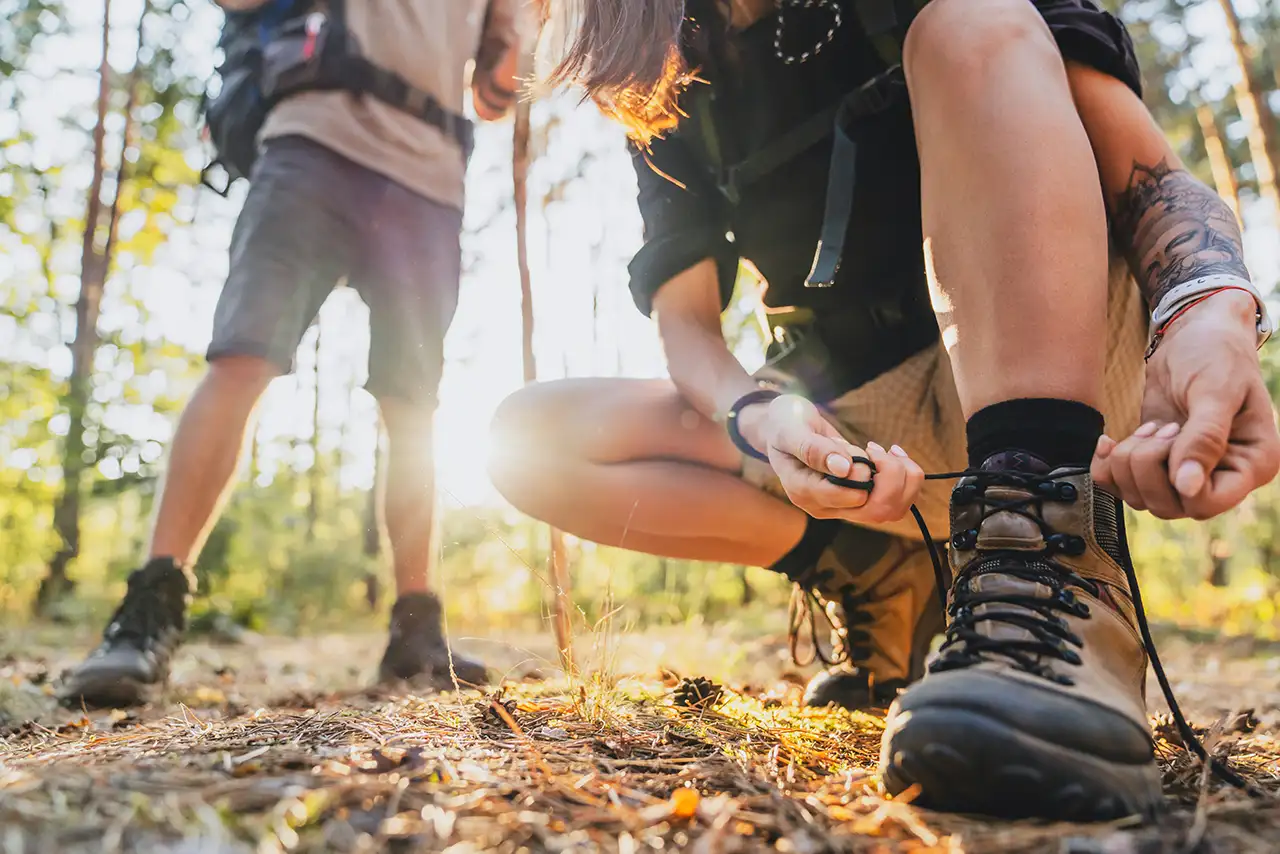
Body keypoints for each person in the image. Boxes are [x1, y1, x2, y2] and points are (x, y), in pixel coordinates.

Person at [488, 0, 1279, 821]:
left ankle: (1052, 569)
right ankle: (875, 569)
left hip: (1076, 364)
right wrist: (760, 415)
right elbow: (686, 329)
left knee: (966, 21)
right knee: (528, 441)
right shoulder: (665, 61)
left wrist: (1205, 310)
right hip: (857, 417)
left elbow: (1150, 176)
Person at [58, 0, 522, 708]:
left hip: (432, 176)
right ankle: (150, 608)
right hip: (315, 139)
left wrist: (516, 41)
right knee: (242, 356)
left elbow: (495, 95)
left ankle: (417, 628)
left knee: (414, 404)